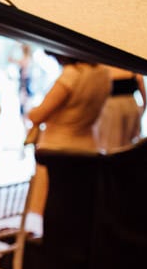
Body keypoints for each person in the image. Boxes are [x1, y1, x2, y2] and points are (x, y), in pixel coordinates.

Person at [25, 51, 111, 214]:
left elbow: (39, 115)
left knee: (57, 206)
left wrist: (31, 110)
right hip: (89, 146)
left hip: (59, 149)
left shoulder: (72, 75)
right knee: (77, 206)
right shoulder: (104, 73)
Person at [95, 66, 147, 152]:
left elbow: (143, 93)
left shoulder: (132, 68)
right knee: (114, 143)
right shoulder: (102, 67)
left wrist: (141, 111)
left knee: (127, 143)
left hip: (128, 108)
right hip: (113, 108)